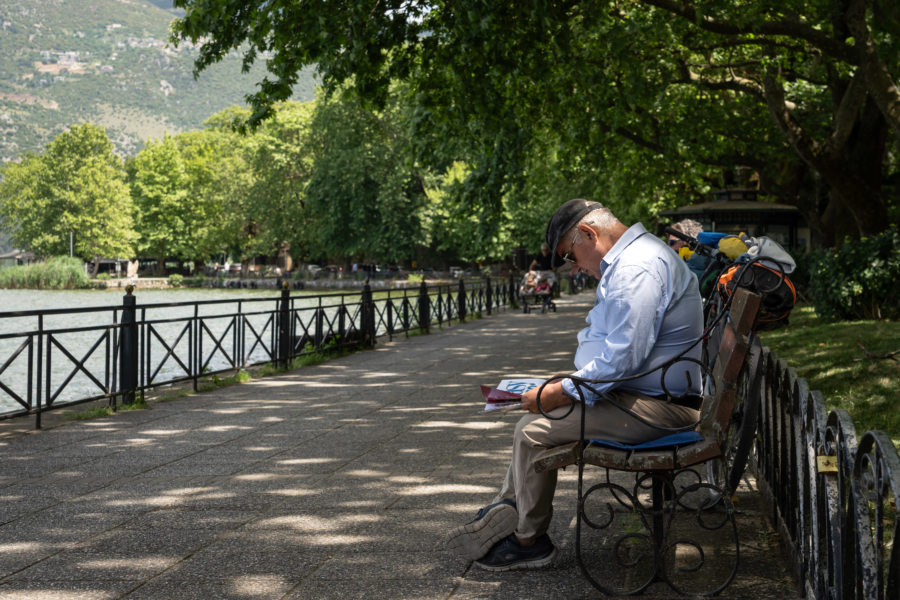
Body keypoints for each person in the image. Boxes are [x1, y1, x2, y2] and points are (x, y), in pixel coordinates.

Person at [446, 198, 704, 571]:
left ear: (588, 233)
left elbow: (622, 360)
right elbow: (620, 356)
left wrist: (559, 390)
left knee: (533, 430)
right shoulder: (635, 262)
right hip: (642, 395)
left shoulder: (638, 269)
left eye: (571, 256)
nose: (575, 268)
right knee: (533, 422)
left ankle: (526, 536)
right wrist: (564, 386)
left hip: (662, 408)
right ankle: (511, 510)